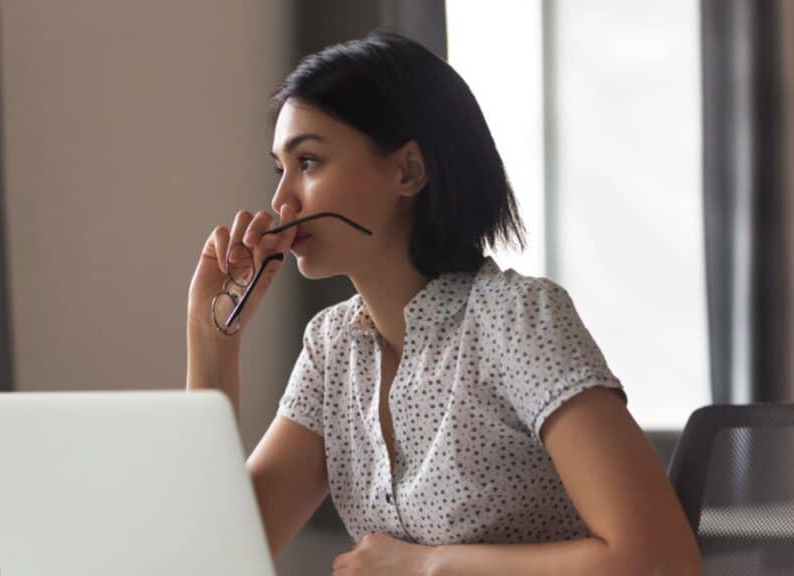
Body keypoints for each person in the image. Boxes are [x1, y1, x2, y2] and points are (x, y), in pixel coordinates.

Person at [186, 30, 701, 576]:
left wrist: (426, 566)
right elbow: (212, 558)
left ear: (408, 171)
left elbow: (659, 559)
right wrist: (211, 339)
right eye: (279, 169)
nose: (280, 200)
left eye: (309, 161)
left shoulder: (516, 320)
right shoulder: (331, 349)